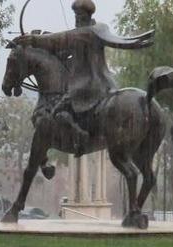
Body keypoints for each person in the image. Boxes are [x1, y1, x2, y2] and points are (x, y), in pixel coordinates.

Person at [14, 0, 154, 154]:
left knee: (55, 111)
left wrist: (34, 40)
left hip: (86, 86)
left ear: (84, 16)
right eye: (76, 16)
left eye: (78, 16)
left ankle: (80, 137)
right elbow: (63, 47)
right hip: (106, 84)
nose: (76, 19)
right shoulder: (98, 30)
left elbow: (58, 39)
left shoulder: (86, 32)